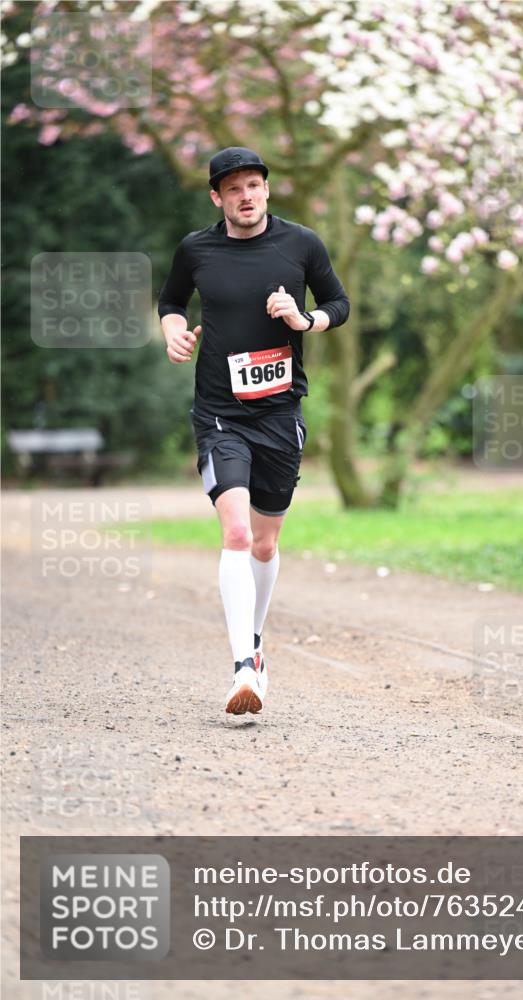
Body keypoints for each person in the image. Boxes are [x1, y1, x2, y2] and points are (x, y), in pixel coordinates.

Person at [158, 146, 350, 716]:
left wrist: (304, 319)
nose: (246, 196)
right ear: (217, 197)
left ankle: (256, 645)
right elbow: (171, 300)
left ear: (266, 190)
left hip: (280, 414)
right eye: (234, 188)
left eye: (254, 185)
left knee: (265, 543)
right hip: (220, 414)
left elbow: (338, 303)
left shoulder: (302, 244)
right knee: (238, 534)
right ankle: (243, 664)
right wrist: (173, 332)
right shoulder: (196, 249)